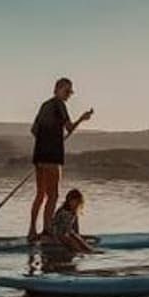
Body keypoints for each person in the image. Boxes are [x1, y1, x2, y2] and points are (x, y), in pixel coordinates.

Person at [28, 77, 93, 241]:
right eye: (67, 91)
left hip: (39, 155)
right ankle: (47, 231)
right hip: (52, 156)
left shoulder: (45, 105)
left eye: (70, 92)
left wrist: (46, 139)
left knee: (40, 195)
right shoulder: (59, 104)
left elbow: (34, 131)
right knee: (53, 195)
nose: (69, 95)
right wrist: (82, 119)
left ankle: (32, 231)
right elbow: (69, 128)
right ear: (58, 89)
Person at [49, 188, 98, 254]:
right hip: (59, 233)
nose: (75, 204)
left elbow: (75, 230)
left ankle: (89, 251)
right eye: (74, 201)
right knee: (72, 242)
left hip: (68, 232)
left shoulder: (74, 213)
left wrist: (81, 238)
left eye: (78, 202)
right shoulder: (64, 211)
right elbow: (59, 228)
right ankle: (80, 251)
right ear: (69, 200)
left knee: (79, 241)